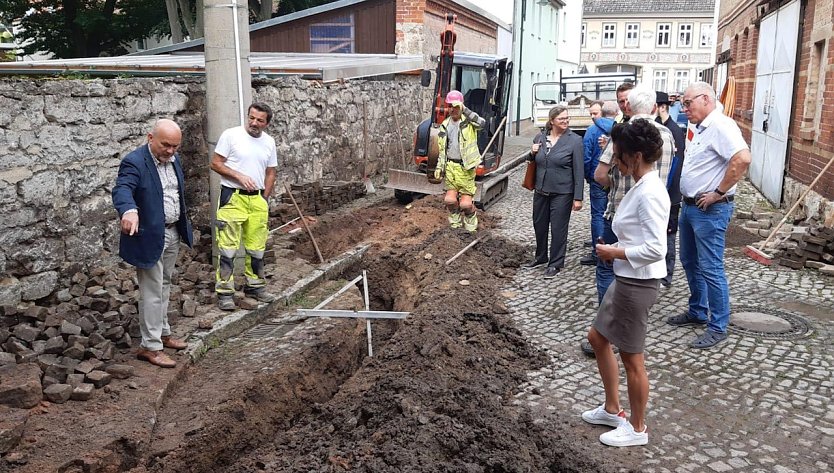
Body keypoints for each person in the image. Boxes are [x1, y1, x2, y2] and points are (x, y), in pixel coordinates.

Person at [582, 118, 670, 448]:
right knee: (597, 337)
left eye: (618, 156)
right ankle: (611, 408)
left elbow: (656, 248)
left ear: (634, 156)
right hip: (625, 280)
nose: (615, 163)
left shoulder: (650, 194)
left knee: (633, 359)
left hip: (638, 285)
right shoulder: (640, 183)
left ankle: (637, 428)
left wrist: (615, 252)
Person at [581, 85, 674, 357]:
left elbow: (599, 174)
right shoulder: (668, 135)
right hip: (654, 212)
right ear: (654, 108)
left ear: (629, 107)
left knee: (606, 270)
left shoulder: (623, 135)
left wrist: (612, 187)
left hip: (624, 212)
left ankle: (607, 328)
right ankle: (610, 332)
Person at [666, 82, 752, 349]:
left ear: (705, 99)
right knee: (690, 261)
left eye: (688, 102)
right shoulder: (702, 127)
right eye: (682, 102)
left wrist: (718, 192)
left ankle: (718, 325)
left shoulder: (721, 126)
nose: (684, 107)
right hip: (691, 206)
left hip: (710, 209)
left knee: (711, 268)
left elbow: (743, 158)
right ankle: (698, 310)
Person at [112, 119, 193, 368]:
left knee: (165, 285)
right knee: (151, 292)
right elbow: (122, 188)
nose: (170, 151)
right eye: (165, 145)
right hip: (149, 235)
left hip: (172, 232)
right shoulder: (134, 162)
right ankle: (150, 346)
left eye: (175, 147)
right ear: (150, 138)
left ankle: (163, 333)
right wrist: (129, 211)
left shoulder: (174, 160)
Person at [211, 103, 278, 311]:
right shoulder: (231, 136)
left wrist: (264, 197)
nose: (254, 123)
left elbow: (271, 172)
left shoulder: (269, 142)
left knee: (257, 248)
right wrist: (239, 176)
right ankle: (225, 292)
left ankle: (255, 286)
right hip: (233, 197)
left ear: (266, 123)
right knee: (228, 248)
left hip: (257, 200)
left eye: (259, 120)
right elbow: (216, 163)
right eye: (251, 118)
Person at [520, 105, 583, 279]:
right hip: (541, 190)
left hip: (562, 192)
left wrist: (578, 197)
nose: (565, 121)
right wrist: (531, 154)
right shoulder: (540, 137)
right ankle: (540, 257)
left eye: (567, 118)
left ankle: (555, 263)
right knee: (539, 225)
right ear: (552, 121)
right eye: (561, 119)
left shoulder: (575, 141)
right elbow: (533, 161)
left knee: (558, 229)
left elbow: (579, 171)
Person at [435, 90, 486, 233]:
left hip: (466, 168)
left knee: (465, 204)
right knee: (450, 201)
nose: (452, 109)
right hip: (451, 167)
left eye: (455, 106)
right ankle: (455, 225)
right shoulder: (445, 125)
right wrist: (439, 167)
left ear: (461, 106)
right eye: (450, 106)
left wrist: (466, 111)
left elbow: (482, 123)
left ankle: (471, 226)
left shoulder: (468, 122)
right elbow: (442, 149)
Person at [580, 101, 618, 266]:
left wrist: (588, 176)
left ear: (601, 113)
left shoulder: (592, 130)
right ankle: (612, 248)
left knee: (597, 214)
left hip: (598, 177)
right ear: (616, 113)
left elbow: (586, 156)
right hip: (616, 178)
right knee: (614, 213)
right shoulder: (620, 129)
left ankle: (598, 252)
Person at [655, 92, 686, 287]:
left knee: (668, 233)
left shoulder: (674, 131)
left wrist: (668, 191)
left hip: (670, 193)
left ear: (662, 107)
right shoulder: (656, 128)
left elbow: (677, 165)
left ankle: (667, 273)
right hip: (658, 191)